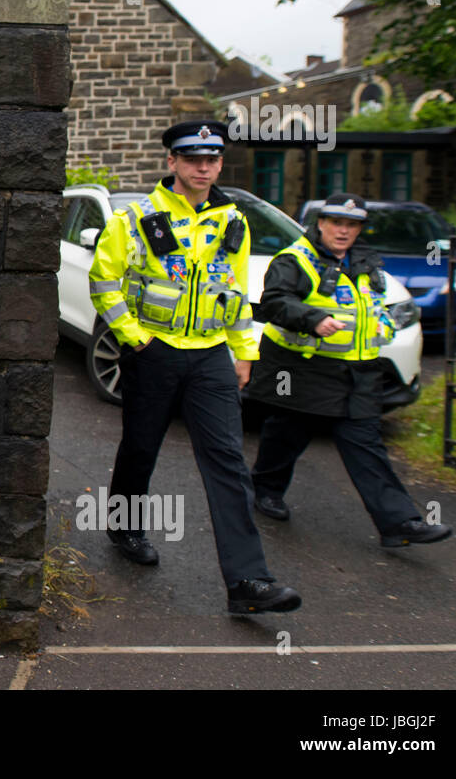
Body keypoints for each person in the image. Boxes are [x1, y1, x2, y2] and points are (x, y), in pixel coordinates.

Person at [90, 120, 302, 613]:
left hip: (210, 356)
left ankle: (249, 583)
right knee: (141, 449)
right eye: (191, 158)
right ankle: (125, 527)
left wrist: (245, 351)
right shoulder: (136, 218)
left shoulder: (234, 221)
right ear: (172, 162)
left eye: (211, 159)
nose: (202, 167)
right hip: (154, 352)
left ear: (220, 163)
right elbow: (105, 281)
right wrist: (136, 340)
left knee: (227, 461)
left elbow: (234, 292)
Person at [247, 192, 452, 547]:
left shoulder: (366, 263)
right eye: (337, 223)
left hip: (358, 372)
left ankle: (399, 523)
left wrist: (383, 326)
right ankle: (264, 490)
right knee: (287, 435)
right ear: (321, 224)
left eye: (352, 225)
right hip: (305, 370)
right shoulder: (294, 260)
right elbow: (275, 303)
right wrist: (313, 319)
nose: (343, 231)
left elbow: (377, 308)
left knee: (365, 445)